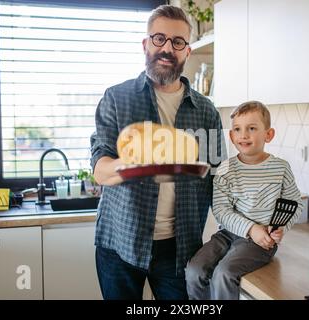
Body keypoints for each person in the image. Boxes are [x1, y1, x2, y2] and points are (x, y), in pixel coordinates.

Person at [90, 5, 225, 300]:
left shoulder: (206, 112)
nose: (167, 48)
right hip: (120, 244)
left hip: (178, 249)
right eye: (159, 38)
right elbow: (100, 169)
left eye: (177, 42)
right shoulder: (117, 99)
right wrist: (134, 163)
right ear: (145, 44)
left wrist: (249, 227)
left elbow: (220, 183)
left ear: (187, 51)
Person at [185, 101, 303, 300]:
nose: (244, 135)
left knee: (224, 273)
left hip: (260, 242)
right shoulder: (225, 169)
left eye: (252, 128)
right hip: (227, 235)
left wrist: (281, 227)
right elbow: (222, 210)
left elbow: (295, 203)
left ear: (269, 134)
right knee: (194, 270)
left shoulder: (280, 168)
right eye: (237, 129)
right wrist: (250, 229)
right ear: (231, 136)